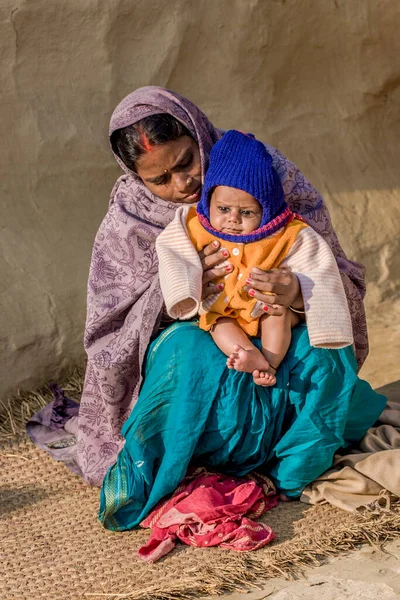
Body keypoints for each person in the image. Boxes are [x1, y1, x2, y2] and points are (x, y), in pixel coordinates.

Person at [27, 88, 383, 526]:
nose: (182, 185)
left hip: (278, 327)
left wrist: (297, 291)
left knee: (326, 354)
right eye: (160, 179)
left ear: (200, 137)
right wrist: (180, 289)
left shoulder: (262, 171)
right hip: (194, 348)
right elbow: (110, 329)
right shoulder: (130, 217)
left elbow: (334, 270)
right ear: (136, 177)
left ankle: (292, 466)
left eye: (186, 162)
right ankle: (185, 460)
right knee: (188, 352)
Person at [156, 130, 353, 386]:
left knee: (276, 314)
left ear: (266, 209)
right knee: (218, 324)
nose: (233, 219)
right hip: (224, 308)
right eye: (224, 209)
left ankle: (270, 363)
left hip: (266, 304)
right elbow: (172, 249)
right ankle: (247, 354)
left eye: (247, 212)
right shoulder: (193, 224)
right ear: (209, 201)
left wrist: (297, 290)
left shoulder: (286, 232)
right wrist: (185, 285)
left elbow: (318, 264)